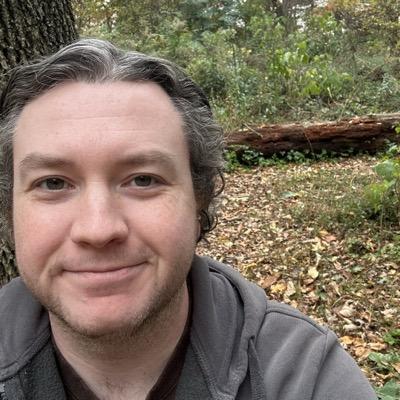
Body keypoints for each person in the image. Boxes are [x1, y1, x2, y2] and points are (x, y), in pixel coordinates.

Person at [0, 39, 377, 400]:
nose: (98, 230)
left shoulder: (306, 376)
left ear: (200, 201)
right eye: (52, 183)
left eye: (143, 180)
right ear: (10, 210)